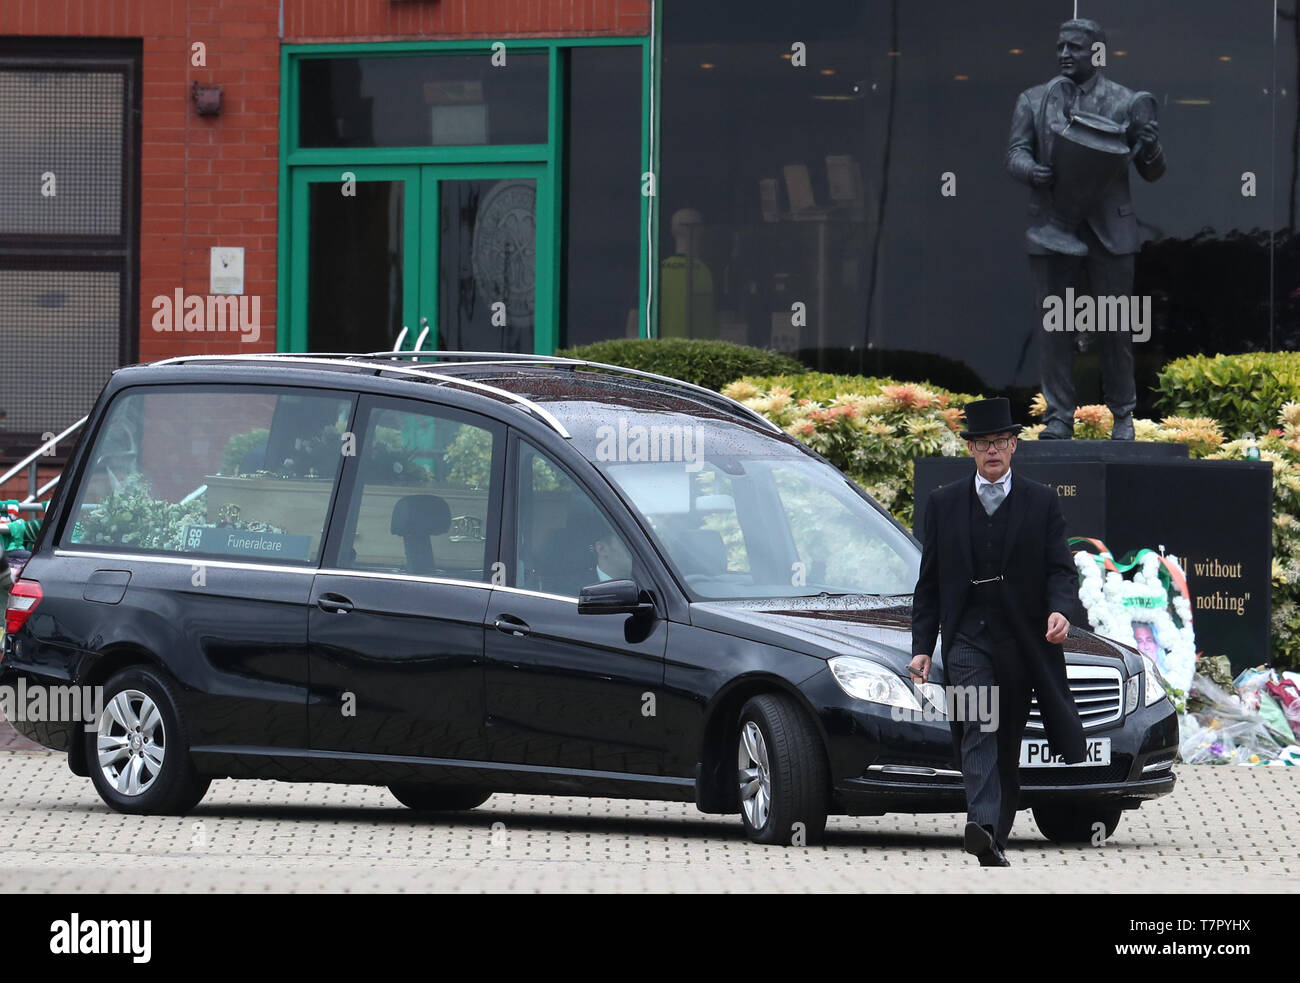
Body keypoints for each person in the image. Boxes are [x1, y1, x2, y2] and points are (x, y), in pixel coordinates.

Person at [909, 397, 1087, 865]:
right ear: (971, 449)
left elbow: (1061, 571)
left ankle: (994, 839)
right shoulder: (943, 503)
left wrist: (1060, 611)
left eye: (1000, 442)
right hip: (967, 640)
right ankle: (982, 824)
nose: (992, 450)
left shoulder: (1040, 500)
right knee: (978, 726)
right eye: (983, 442)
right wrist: (923, 648)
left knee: (1005, 742)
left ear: (1013, 447)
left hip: (1023, 644)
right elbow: (928, 583)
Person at [1006, 18, 1166, 440]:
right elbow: (1015, 154)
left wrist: (1150, 147)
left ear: (1096, 53)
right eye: (1060, 47)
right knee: (1055, 330)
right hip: (1052, 230)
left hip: (1110, 234)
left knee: (1116, 328)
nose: (1063, 54)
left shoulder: (1127, 102)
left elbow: (1153, 171)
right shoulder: (1034, 100)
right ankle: (1059, 416)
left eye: (1073, 48)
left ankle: (1124, 416)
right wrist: (1032, 171)